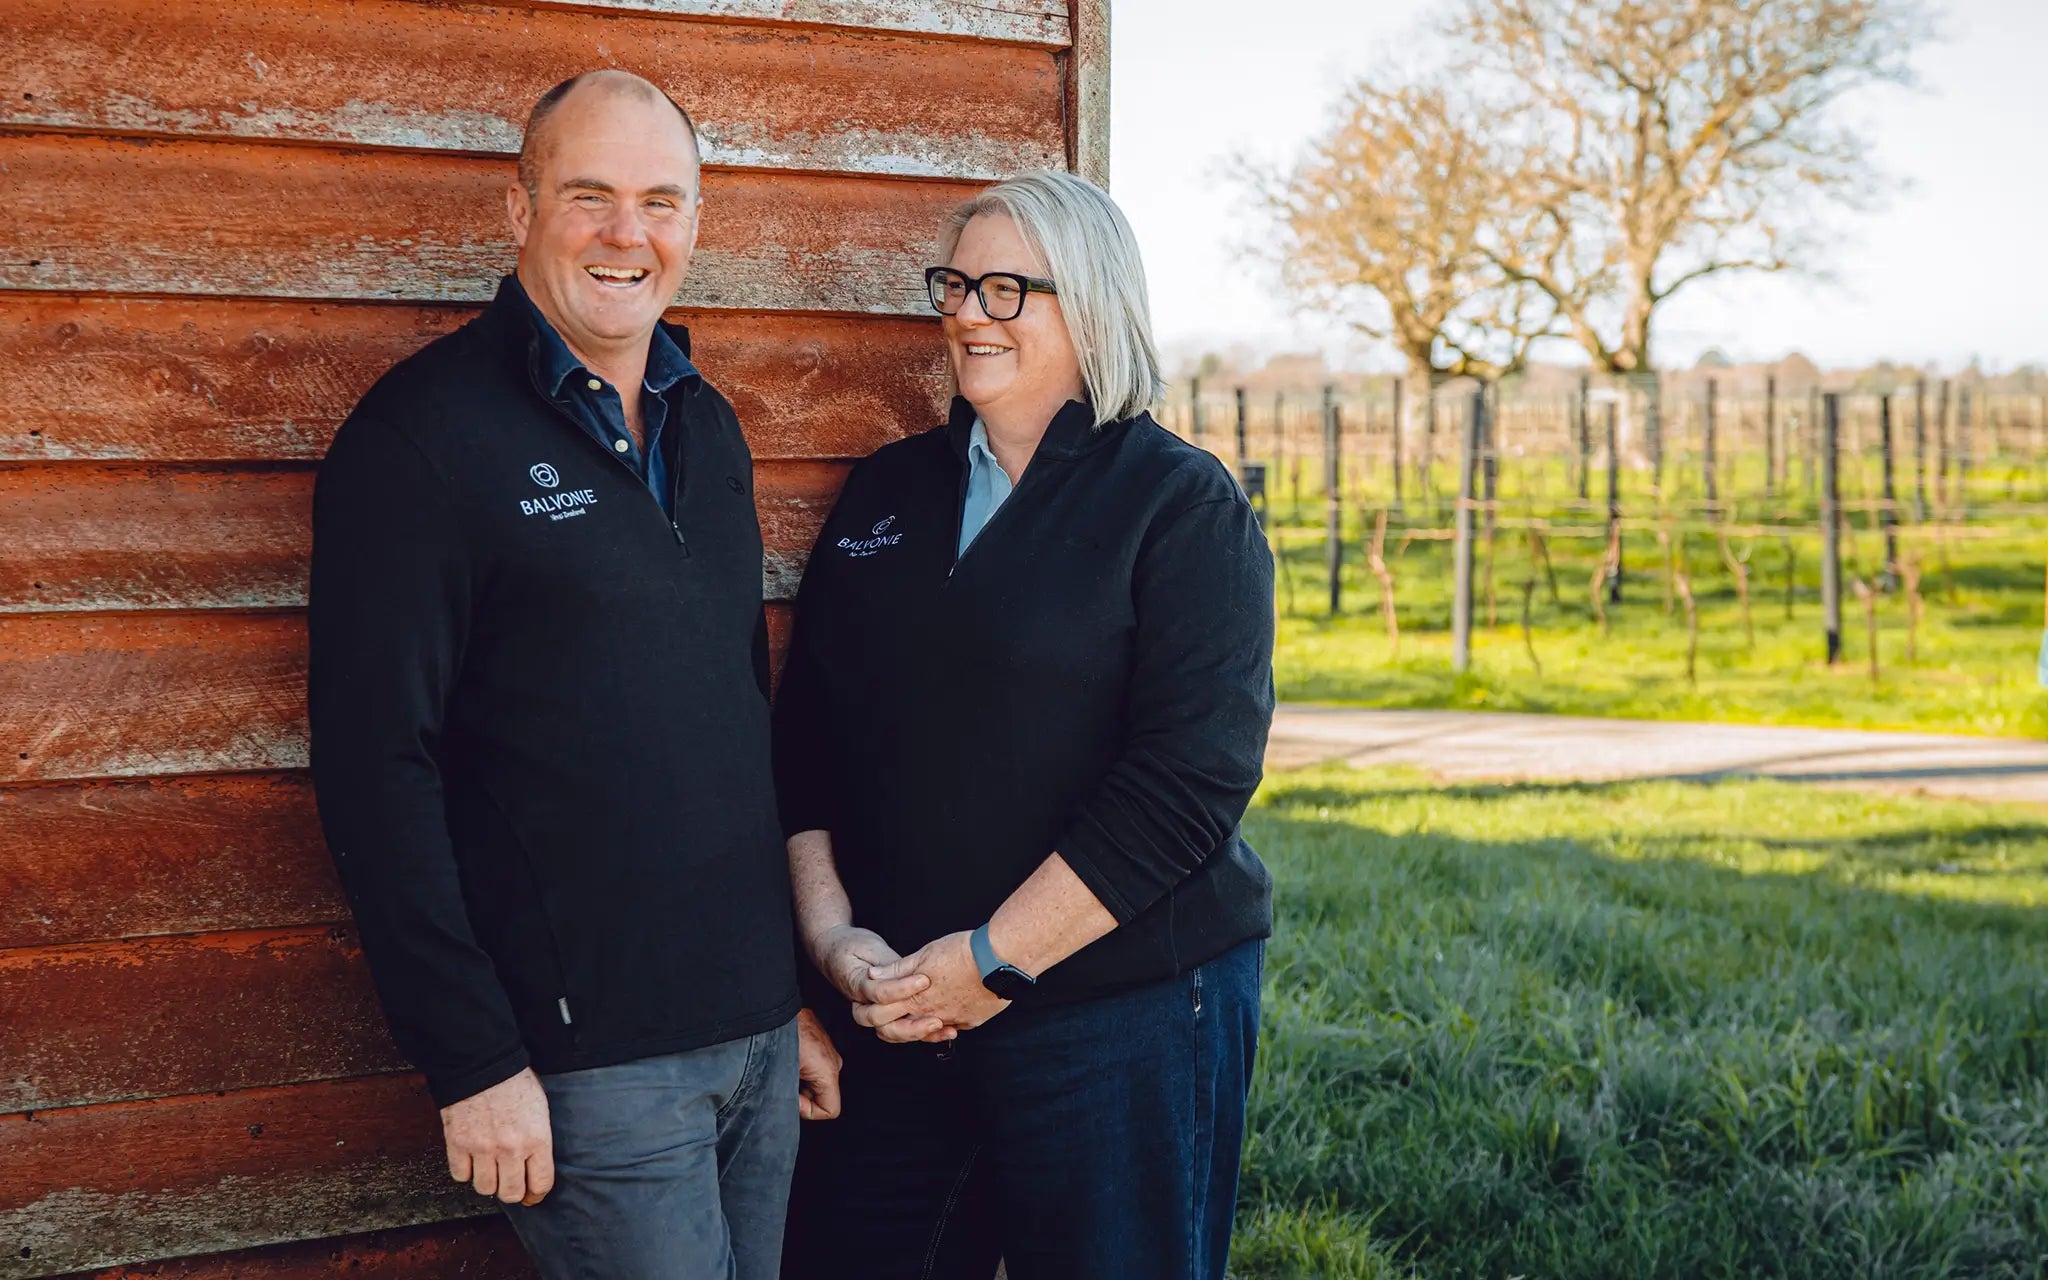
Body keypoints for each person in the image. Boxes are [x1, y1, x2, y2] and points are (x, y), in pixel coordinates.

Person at [307, 70, 841, 1280]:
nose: (626, 233)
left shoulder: (706, 425)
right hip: (584, 1066)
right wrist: (473, 1062)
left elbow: (727, 722)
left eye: (661, 200)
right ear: (519, 209)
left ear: (694, 221)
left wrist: (779, 999)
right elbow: (373, 766)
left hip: (752, 1043)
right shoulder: (421, 440)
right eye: (589, 195)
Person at [773, 170, 1275, 1280]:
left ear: (1089, 303)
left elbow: (1188, 781)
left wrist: (996, 961)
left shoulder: (1178, 505)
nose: (964, 313)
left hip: (1119, 1009)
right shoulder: (885, 494)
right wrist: (830, 939)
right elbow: (803, 741)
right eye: (955, 284)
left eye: (1007, 289)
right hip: (897, 999)